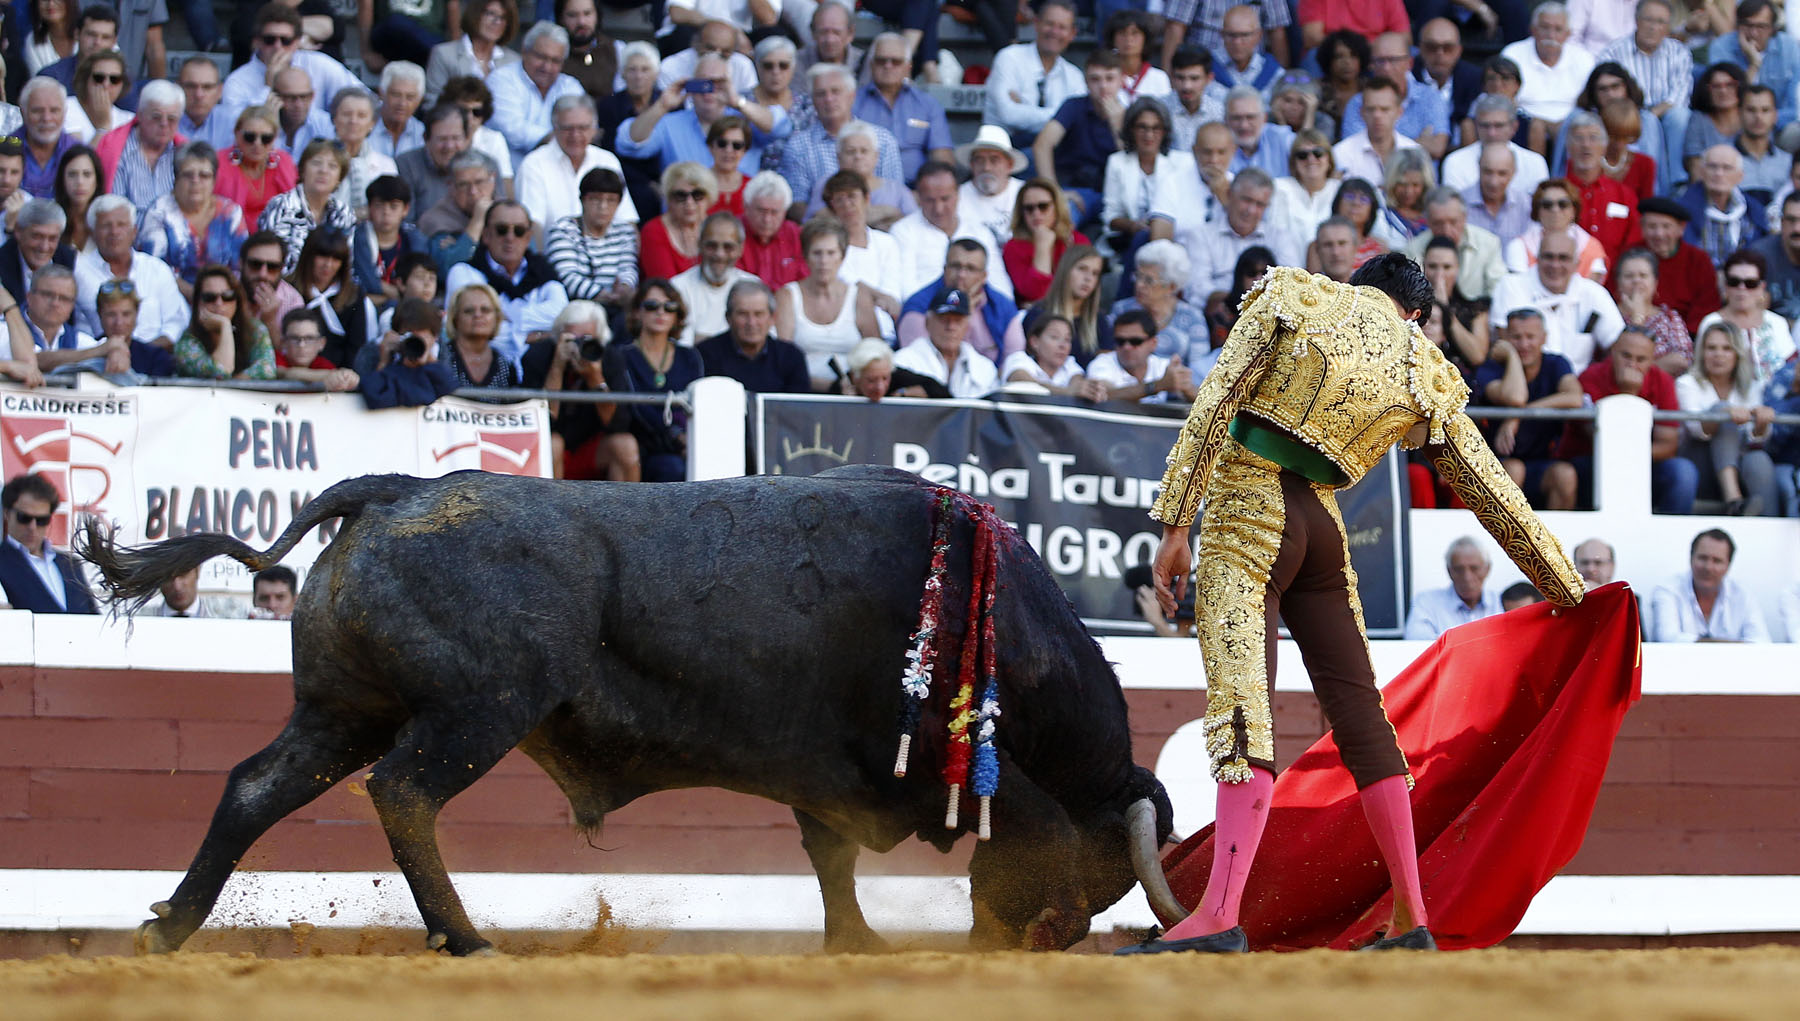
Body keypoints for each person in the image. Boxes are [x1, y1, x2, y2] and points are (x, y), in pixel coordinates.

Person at [1119, 254, 1582, 957]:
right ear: (1416, 314)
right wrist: (1568, 589)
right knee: (1365, 717)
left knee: (1245, 707)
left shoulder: (1297, 295)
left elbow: (1216, 399)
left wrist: (1176, 524)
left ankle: (1218, 913)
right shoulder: (1424, 369)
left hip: (1250, 510)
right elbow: (1495, 495)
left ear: (1360, 283)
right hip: (1324, 533)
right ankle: (1410, 914)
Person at [1565, 325, 1697, 515]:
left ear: (1652, 360)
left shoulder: (1663, 382)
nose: (1632, 365)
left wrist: (1632, 456)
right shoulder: (1591, 377)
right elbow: (1602, 442)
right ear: (1613, 352)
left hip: (1646, 465)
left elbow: (1668, 445)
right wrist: (1628, 394)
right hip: (1592, 465)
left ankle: (1673, 539)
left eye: (1641, 359)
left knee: (1683, 473)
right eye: (1626, 356)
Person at [1478, 307, 1584, 509]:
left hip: (1542, 462)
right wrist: (1512, 357)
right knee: (1514, 470)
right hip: (1497, 461)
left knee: (1565, 475)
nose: (1524, 344)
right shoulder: (1490, 367)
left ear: (1544, 337)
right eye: (1516, 338)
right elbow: (1516, 398)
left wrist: (1518, 417)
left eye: (1530, 337)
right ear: (1505, 339)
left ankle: (1555, 540)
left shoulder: (1556, 363)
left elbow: (1575, 397)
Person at [441, 200, 566, 371]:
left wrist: (505, 314)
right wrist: (533, 336)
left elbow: (561, 315)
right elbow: (470, 330)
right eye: (501, 230)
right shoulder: (464, 272)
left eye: (519, 231)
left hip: (538, 376)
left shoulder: (544, 272)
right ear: (486, 235)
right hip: (479, 373)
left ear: (528, 237)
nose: (510, 237)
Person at [517, 299, 635, 480]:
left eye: (587, 340)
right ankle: (550, 509)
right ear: (558, 336)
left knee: (625, 445)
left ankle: (626, 509)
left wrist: (595, 377)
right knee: (552, 443)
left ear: (600, 339)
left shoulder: (610, 357)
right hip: (551, 449)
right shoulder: (538, 355)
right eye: (573, 339)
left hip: (591, 449)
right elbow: (540, 424)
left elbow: (618, 424)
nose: (580, 347)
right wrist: (557, 368)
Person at [619, 51, 786, 176]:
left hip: (737, 214)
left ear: (729, 84)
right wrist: (661, 106)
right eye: (702, 84)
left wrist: (738, 102)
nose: (708, 92)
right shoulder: (670, 123)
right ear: (691, 84)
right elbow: (629, 143)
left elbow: (780, 127)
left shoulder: (744, 120)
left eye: (716, 83)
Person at [605, 279, 705, 482]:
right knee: (671, 468)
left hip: (687, 445)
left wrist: (690, 442)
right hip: (641, 444)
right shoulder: (621, 355)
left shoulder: (690, 356)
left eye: (669, 307)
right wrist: (677, 437)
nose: (661, 313)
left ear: (678, 315)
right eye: (652, 306)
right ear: (636, 312)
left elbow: (697, 405)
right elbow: (634, 409)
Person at [1677, 321, 1779, 515]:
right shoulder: (1686, 383)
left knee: (1758, 459)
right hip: (1699, 464)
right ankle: (1733, 500)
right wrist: (1724, 413)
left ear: (1737, 354)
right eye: (1711, 348)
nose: (1718, 355)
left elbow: (1754, 438)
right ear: (1702, 353)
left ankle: (1769, 524)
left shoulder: (1752, 387)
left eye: (1727, 349)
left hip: (1740, 462)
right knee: (1722, 411)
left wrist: (1762, 423)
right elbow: (1697, 429)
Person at [1153, 167, 1299, 300]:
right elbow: (1196, 289)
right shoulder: (1200, 236)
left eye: (1259, 204)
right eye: (1246, 200)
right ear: (1230, 194)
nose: (1251, 210)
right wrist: (1235, 302)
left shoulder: (1280, 238)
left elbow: (1292, 286)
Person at [1492, 229, 1625, 374]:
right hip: (1523, 380)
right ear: (1537, 260)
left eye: (1563, 258)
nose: (1555, 265)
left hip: (1578, 385)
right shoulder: (1512, 285)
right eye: (1548, 257)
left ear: (1577, 264)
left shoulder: (1594, 293)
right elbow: (1503, 341)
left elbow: (1619, 344)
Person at [515, 93, 639, 241]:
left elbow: (627, 221)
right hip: (554, 258)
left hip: (606, 258)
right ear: (554, 129)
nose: (575, 135)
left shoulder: (607, 160)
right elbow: (533, 227)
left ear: (594, 129)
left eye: (583, 128)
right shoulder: (534, 164)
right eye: (568, 128)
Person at [220, 5, 360, 130]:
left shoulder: (318, 63)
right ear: (257, 41)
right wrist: (268, 89)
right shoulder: (237, 81)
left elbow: (362, 97)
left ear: (297, 42)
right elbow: (233, 130)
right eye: (270, 40)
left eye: (286, 40)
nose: (277, 47)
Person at [72, 196, 187, 348]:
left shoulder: (157, 269)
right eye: (106, 225)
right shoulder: (77, 271)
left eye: (121, 225)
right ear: (93, 233)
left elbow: (175, 326)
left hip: (154, 362)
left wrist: (141, 354)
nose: (114, 232)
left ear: (134, 232)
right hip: (95, 361)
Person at [1597, 0, 1691, 185]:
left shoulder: (1679, 52)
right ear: (1637, 20)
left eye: (1660, 22)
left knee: (1680, 116)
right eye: (1648, 20)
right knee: (1647, 123)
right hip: (1629, 113)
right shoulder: (1613, 52)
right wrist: (1645, 116)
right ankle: (1652, 186)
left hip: (1666, 112)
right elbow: (1607, 90)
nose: (1653, 27)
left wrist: (1653, 114)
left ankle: (1677, 180)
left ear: (1668, 27)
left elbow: (1679, 96)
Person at [889, 161, 1008, 304]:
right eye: (930, 200)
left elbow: (1001, 286)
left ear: (958, 195)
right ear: (919, 198)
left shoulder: (980, 232)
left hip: (979, 311)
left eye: (945, 199)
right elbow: (907, 290)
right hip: (926, 313)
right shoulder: (903, 231)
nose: (938, 208)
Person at [1032, 50, 1123, 233]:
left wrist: (1117, 124)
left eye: (1110, 78)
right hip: (1077, 188)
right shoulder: (1073, 106)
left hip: (1116, 194)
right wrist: (1054, 192)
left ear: (1121, 81)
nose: (1103, 86)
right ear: (1086, 82)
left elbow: (1131, 162)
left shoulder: (1130, 113)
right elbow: (1042, 145)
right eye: (1095, 79)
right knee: (1061, 217)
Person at [777, 215, 871, 390]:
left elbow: (876, 354)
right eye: (817, 253)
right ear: (805, 256)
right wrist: (832, 387)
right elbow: (782, 358)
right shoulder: (788, 295)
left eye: (831, 253)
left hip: (853, 394)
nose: (824, 261)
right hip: (801, 391)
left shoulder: (859, 296)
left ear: (842, 256)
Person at [983, 0, 1084, 152]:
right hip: (1004, 151)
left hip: (1053, 151)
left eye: (1062, 27)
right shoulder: (1009, 57)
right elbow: (1009, 115)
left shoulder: (1074, 76)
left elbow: (1077, 123)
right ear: (1036, 23)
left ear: (1072, 34)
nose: (1054, 32)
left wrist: (1022, 107)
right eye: (1049, 24)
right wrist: (1062, 114)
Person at [854, 32, 952, 186]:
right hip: (867, 190)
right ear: (871, 65)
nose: (888, 66)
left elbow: (941, 156)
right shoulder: (853, 102)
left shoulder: (928, 104)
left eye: (896, 61)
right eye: (881, 61)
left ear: (908, 67)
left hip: (917, 190)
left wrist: (927, 193)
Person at [895, 238, 1015, 363]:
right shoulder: (919, 307)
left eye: (971, 268)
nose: (961, 274)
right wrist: (965, 310)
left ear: (984, 276)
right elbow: (917, 363)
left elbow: (1013, 359)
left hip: (993, 378)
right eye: (956, 266)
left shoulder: (1002, 307)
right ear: (945, 269)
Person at [487, 22, 585, 170]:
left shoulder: (570, 86)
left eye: (555, 61)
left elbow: (585, 126)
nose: (547, 67)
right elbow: (513, 130)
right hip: (509, 176)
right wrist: (563, 138)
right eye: (541, 57)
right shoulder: (501, 79)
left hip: (558, 173)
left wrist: (563, 137)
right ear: (524, 52)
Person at [0, 472, 97, 614]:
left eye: (41, 520)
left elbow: (93, 619)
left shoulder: (70, 564)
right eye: (24, 518)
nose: (32, 527)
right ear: (7, 514)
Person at [1648, 529, 1768, 641]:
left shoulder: (1743, 594)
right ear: (1691, 558)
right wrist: (1729, 646)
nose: (1708, 567)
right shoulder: (1667, 590)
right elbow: (1667, 639)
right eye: (1702, 558)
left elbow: (1761, 642)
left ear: (1728, 566)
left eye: (1717, 561)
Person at [257, 138, 356, 275]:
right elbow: (269, 263)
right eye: (316, 163)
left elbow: (347, 266)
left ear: (339, 178)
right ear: (302, 170)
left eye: (332, 166)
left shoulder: (344, 213)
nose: (323, 171)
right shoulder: (281, 206)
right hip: (285, 289)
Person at [545, 166, 639, 309]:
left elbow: (628, 269)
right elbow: (567, 276)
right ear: (582, 200)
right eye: (596, 199)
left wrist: (624, 288)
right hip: (575, 306)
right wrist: (602, 295)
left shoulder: (625, 231)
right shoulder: (563, 229)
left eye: (611, 200)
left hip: (617, 306)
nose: (603, 206)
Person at [696, 278, 811, 394]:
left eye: (758, 314)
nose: (751, 323)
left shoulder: (791, 357)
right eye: (743, 314)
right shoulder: (705, 355)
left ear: (772, 318)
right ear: (728, 318)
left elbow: (799, 408)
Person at [1108, 239, 1210, 368]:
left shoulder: (1192, 317)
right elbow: (1109, 357)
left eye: (1148, 280)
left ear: (1171, 287)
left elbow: (1200, 368)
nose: (1139, 285)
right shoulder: (1121, 310)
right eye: (1138, 276)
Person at [1706, 0, 1799, 139]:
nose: (1754, 33)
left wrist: (1764, 121)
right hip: (1734, 128)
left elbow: (1794, 106)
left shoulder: (1788, 47)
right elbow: (1728, 101)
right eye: (1748, 25)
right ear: (1738, 25)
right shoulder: (1721, 47)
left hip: (1779, 125)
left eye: (1761, 26)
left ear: (1773, 28)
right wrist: (1754, 64)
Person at [1633, 197, 1722, 340]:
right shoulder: (1631, 256)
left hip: (1687, 338)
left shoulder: (1698, 260)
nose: (1659, 234)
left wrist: (1681, 338)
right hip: (1637, 333)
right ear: (1642, 228)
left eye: (1666, 226)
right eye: (1652, 226)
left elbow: (1706, 308)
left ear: (1681, 229)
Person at [1699, 250, 1796, 380]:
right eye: (1734, 282)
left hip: (1775, 399)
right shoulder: (1711, 323)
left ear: (1762, 287)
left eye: (1750, 283)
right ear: (1726, 286)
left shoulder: (1777, 323)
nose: (1742, 288)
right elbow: (1700, 371)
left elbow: (1791, 367)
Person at [288, 230, 377, 370]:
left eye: (336, 259)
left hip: (338, 378)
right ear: (308, 256)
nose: (328, 265)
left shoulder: (353, 295)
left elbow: (356, 347)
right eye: (322, 256)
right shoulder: (289, 290)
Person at [1499, 2, 1596, 130]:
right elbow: (1505, 98)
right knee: (1536, 128)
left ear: (1568, 34)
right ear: (1532, 29)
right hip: (1523, 124)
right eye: (1545, 27)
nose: (1551, 35)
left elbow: (1588, 103)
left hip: (1572, 125)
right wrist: (1538, 123)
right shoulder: (1512, 54)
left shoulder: (1584, 58)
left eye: (1558, 29)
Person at [93, 79, 184, 213]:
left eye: (171, 119)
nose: (164, 124)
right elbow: (112, 209)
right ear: (140, 115)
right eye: (156, 117)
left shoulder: (184, 153)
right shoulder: (114, 150)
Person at [1402, 188, 1506, 304]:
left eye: (1453, 222)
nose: (1446, 230)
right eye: (1438, 223)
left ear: (1464, 218)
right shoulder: (1412, 249)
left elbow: (1498, 290)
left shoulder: (1488, 243)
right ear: (1427, 221)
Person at [892, 286, 999, 399]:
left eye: (958, 321)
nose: (951, 327)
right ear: (927, 323)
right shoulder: (903, 361)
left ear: (967, 327)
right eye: (944, 319)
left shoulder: (985, 368)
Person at [173, 264, 275, 380]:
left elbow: (267, 369)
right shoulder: (186, 342)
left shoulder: (254, 329)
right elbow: (221, 371)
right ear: (198, 303)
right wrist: (225, 326)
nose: (219, 303)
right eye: (209, 297)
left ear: (237, 300)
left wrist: (236, 383)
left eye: (227, 296)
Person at [805, 120, 914, 227]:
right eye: (850, 151)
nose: (858, 157)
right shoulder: (825, 184)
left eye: (864, 151)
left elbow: (913, 225)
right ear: (838, 157)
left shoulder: (897, 190)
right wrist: (886, 213)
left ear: (876, 156)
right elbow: (815, 221)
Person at [822, 170, 902, 312]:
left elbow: (893, 295)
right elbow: (847, 285)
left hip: (885, 321)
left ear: (866, 198)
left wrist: (882, 299)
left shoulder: (887, 242)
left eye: (852, 196)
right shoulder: (829, 247)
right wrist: (879, 296)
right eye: (839, 200)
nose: (847, 205)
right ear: (832, 208)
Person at [1504, 177, 1610, 284]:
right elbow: (1519, 288)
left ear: (1574, 210)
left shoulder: (1592, 248)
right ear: (1537, 211)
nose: (1555, 210)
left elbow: (1591, 292)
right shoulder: (1519, 246)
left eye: (1563, 204)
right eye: (1547, 205)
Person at [1003, 178, 1090, 305]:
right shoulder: (1013, 247)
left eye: (1043, 206)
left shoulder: (1078, 240)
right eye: (1029, 208)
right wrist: (1042, 248)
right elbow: (1035, 294)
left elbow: (1086, 288)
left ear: (1057, 207)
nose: (1036, 213)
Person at [670, 212, 752, 347]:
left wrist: (701, 339)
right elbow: (682, 349)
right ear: (700, 245)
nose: (719, 254)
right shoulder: (678, 287)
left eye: (728, 247)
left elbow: (763, 344)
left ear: (740, 249)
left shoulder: (753, 287)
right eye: (711, 246)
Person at [359, 297, 457, 408]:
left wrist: (430, 361)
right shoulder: (374, 352)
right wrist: (384, 361)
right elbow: (374, 396)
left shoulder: (441, 356)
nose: (414, 342)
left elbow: (449, 390)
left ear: (434, 338)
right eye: (409, 336)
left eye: (419, 337)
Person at [1442, 95, 1550, 197]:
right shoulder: (1455, 161)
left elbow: (1539, 210)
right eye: (1485, 125)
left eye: (1499, 125)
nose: (1492, 133)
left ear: (1514, 127)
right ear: (1476, 126)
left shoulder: (1535, 162)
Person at [1680, 146, 1768, 270]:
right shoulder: (1682, 209)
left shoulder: (1753, 211)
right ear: (1702, 172)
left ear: (1740, 176)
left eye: (1727, 168)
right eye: (1712, 166)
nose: (1719, 173)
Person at [1612, 247, 1694, 380]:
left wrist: (1640, 372)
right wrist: (1637, 317)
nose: (1636, 281)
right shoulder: (1609, 314)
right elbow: (1611, 364)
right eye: (1629, 276)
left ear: (1655, 283)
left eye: (1643, 276)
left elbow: (1682, 360)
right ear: (1618, 283)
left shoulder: (1669, 318)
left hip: (1662, 389)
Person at [1084, 307, 1195, 403]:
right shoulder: (1102, 363)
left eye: (1135, 341)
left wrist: (1186, 387)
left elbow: (1204, 404)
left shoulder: (1163, 366)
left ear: (1153, 343)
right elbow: (1105, 394)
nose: (1126, 347)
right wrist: (1157, 386)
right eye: (1120, 341)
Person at [1403, 537, 1502, 639]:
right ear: (1449, 571)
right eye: (1459, 569)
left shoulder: (1501, 602)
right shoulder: (1427, 602)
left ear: (1487, 569)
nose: (1467, 577)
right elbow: (1416, 641)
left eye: (1474, 568)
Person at [423, 0, 518, 107]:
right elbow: (431, 103)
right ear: (475, 14)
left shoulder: (514, 61)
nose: (496, 22)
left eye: (503, 18)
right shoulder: (443, 53)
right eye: (490, 14)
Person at [1420, 236, 1489, 382]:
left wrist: (1444, 309)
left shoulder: (1475, 308)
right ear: (1423, 266)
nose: (1439, 275)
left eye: (1447, 267)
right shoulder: (1410, 306)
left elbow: (1477, 356)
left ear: (1457, 268)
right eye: (1433, 266)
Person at [1331, 78, 1421, 190]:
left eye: (1384, 109)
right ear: (1361, 113)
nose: (1377, 116)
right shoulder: (1341, 153)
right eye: (1371, 109)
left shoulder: (1415, 152)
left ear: (1399, 112)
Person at [350, 175, 426, 306]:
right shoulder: (357, 237)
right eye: (379, 206)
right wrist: (397, 296)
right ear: (369, 208)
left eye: (393, 206)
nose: (386, 212)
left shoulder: (414, 239)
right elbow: (365, 283)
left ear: (406, 209)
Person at [954, 124, 1029, 256]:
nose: (986, 167)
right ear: (972, 165)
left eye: (994, 160)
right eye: (979, 160)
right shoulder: (956, 197)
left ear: (1009, 165)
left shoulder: (1027, 193)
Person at [215, 106, 296, 228]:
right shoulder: (219, 162)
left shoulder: (284, 162)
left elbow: (296, 208)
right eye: (250, 137)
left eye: (266, 138)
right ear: (237, 134)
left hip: (278, 237)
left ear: (274, 138)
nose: (257, 144)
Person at [419, 150, 498, 272]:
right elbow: (447, 269)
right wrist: (476, 223)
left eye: (479, 182)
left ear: (493, 180)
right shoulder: (436, 219)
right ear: (451, 186)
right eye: (463, 185)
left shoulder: (508, 211)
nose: (473, 191)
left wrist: (459, 244)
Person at [86, 276, 178, 380]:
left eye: (126, 314)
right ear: (100, 314)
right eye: (111, 314)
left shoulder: (157, 358)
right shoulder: (85, 348)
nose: (119, 322)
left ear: (136, 313)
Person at [999, 313, 1106, 401]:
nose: (1063, 346)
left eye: (1067, 340)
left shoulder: (1069, 364)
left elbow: (1077, 383)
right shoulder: (1019, 358)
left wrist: (1092, 390)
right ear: (1034, 342)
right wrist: (1067, 392)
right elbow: (1023, 381)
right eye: (1055, 337)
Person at [1266, 128, 1339, 252]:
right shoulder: (1280, 188)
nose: (1311, 159)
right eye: (1302, 155)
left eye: (1318, 153)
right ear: (1294, 163)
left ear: (1329, 159)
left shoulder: (1341, 190)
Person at [640, 161, 715, 282]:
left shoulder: (718, 228)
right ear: (669, 199)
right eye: (681, 195)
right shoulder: (654, 230)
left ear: (709, 197)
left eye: (698, 195)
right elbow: (664, 284)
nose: (689, 202)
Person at [328, 89, 395, 220]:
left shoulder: (386, 165)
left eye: (361, 115)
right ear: (334, 119)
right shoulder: (318, 161)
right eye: (347, 114)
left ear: (372, 123)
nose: (353, 121)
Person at [737, 171, 805, 289]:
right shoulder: (733, 232)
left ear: (784, 212)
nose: (767, 219)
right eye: (761, 211)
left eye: (774, 212)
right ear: (746, 207)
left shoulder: (795, 234)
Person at [273, 305, 359, 391]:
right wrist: (331, 375)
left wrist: (346, 376)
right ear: (283, 342)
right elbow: (284, 373)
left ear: (321, 343)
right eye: (295, 338)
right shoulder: (273, 358)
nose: (302, 345)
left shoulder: (323, 364)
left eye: (309, 338)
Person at [1161, 46, 1228, 153]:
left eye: (1194, 78)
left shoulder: (1219, 113)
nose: (1187, 86)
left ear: (1209, 79)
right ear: (1172, 77)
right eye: (1180, 78)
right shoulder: (1159, 110)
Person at [1463, 143, 1534, 242]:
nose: (1494, 182)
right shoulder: (1459, 203)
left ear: (1513, 172)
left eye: (1502, 174)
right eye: (1488, 172)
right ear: (1478, 168)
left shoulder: (1526, 205)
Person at [238, 231, 302, 337]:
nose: (263, 274)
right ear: (241, 264)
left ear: (281, 269)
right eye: (255, 264)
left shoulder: (293, 301)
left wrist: (269, 321)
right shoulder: (225, 287)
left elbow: (287, 351)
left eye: (272, 267)